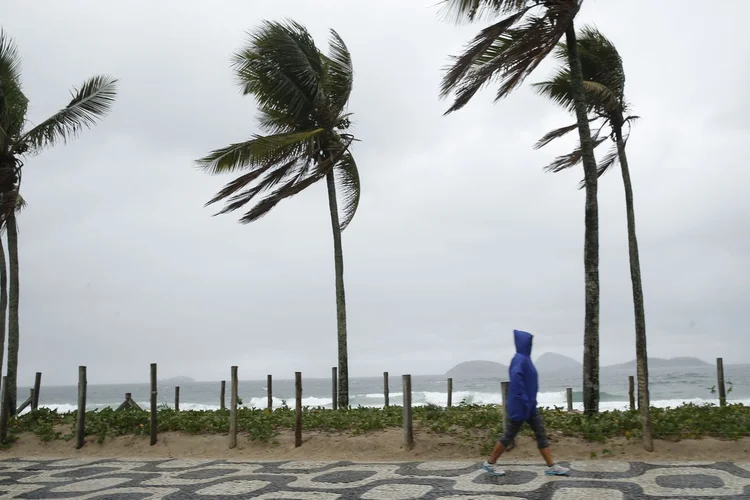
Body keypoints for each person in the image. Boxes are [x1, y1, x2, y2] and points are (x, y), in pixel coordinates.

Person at [482, 329, 570, 477]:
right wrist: (525, 400)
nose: (531, 344)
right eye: (529, 342)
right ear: (523, 343)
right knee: (509, 435)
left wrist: (530, 402)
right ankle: (490, 463)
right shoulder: (520, 359)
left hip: (529, 406)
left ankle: (552, 466)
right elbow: (516, 382)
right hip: (521, 407)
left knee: (540, 433)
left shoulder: (525, 359)